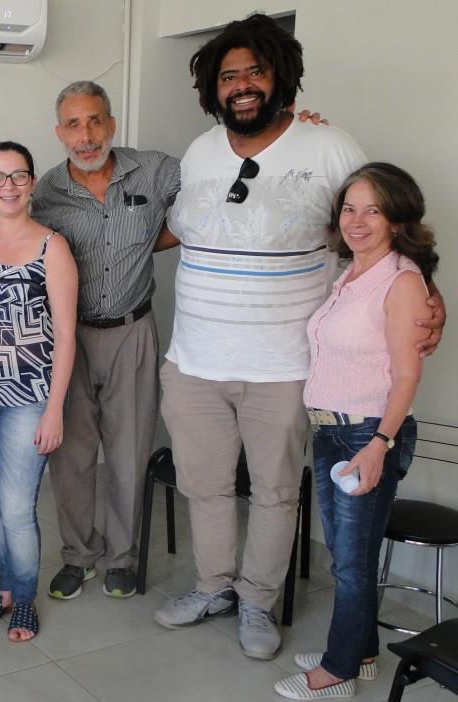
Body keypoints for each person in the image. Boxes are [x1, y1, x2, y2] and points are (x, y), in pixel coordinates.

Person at [154, 13, 445, 661]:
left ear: (281, 76)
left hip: (285, 365)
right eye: (229, 76)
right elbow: (176, 230)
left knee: (276, 491)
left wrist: (430, 293)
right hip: (193, 359)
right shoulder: (201, 151)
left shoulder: (330, 146)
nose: (243, 85)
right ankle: (212, 587)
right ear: (212, 89)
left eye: (256, 71)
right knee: (203, 484)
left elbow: (382, 225)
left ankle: (256, 600)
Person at [274, 163, 437, 700]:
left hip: (366, 434)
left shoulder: (402, 281)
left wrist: (379, 444)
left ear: (396, 218)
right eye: (350, 208)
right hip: (331, 432)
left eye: (373, 209)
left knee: (350, 563)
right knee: (354, 555)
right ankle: (362, 652)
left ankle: (338, 671)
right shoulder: (351, 273)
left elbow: (407, 375)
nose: (358, 220)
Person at [21, 81, 180, 601]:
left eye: (94, 122)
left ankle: (123, 557)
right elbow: (19, 242)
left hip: (132, 330)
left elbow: (215, 195)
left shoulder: (156, 171)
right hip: (66, 339)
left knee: (131, 449)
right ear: (59, 132)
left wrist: (295, 129)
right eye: (73, 124)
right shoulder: (44, 192)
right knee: (71, 454)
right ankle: (78, 556)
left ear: (111, 125)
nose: (85, 135)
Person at [0, 141, 77, 641]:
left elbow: (67, 335)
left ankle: (24, 598)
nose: (8, 186)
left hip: (29, 395)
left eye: (18, 176)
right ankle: (3, 589)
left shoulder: (54, 247)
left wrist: (55, 410)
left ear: (31, 183)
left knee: (16, 506)